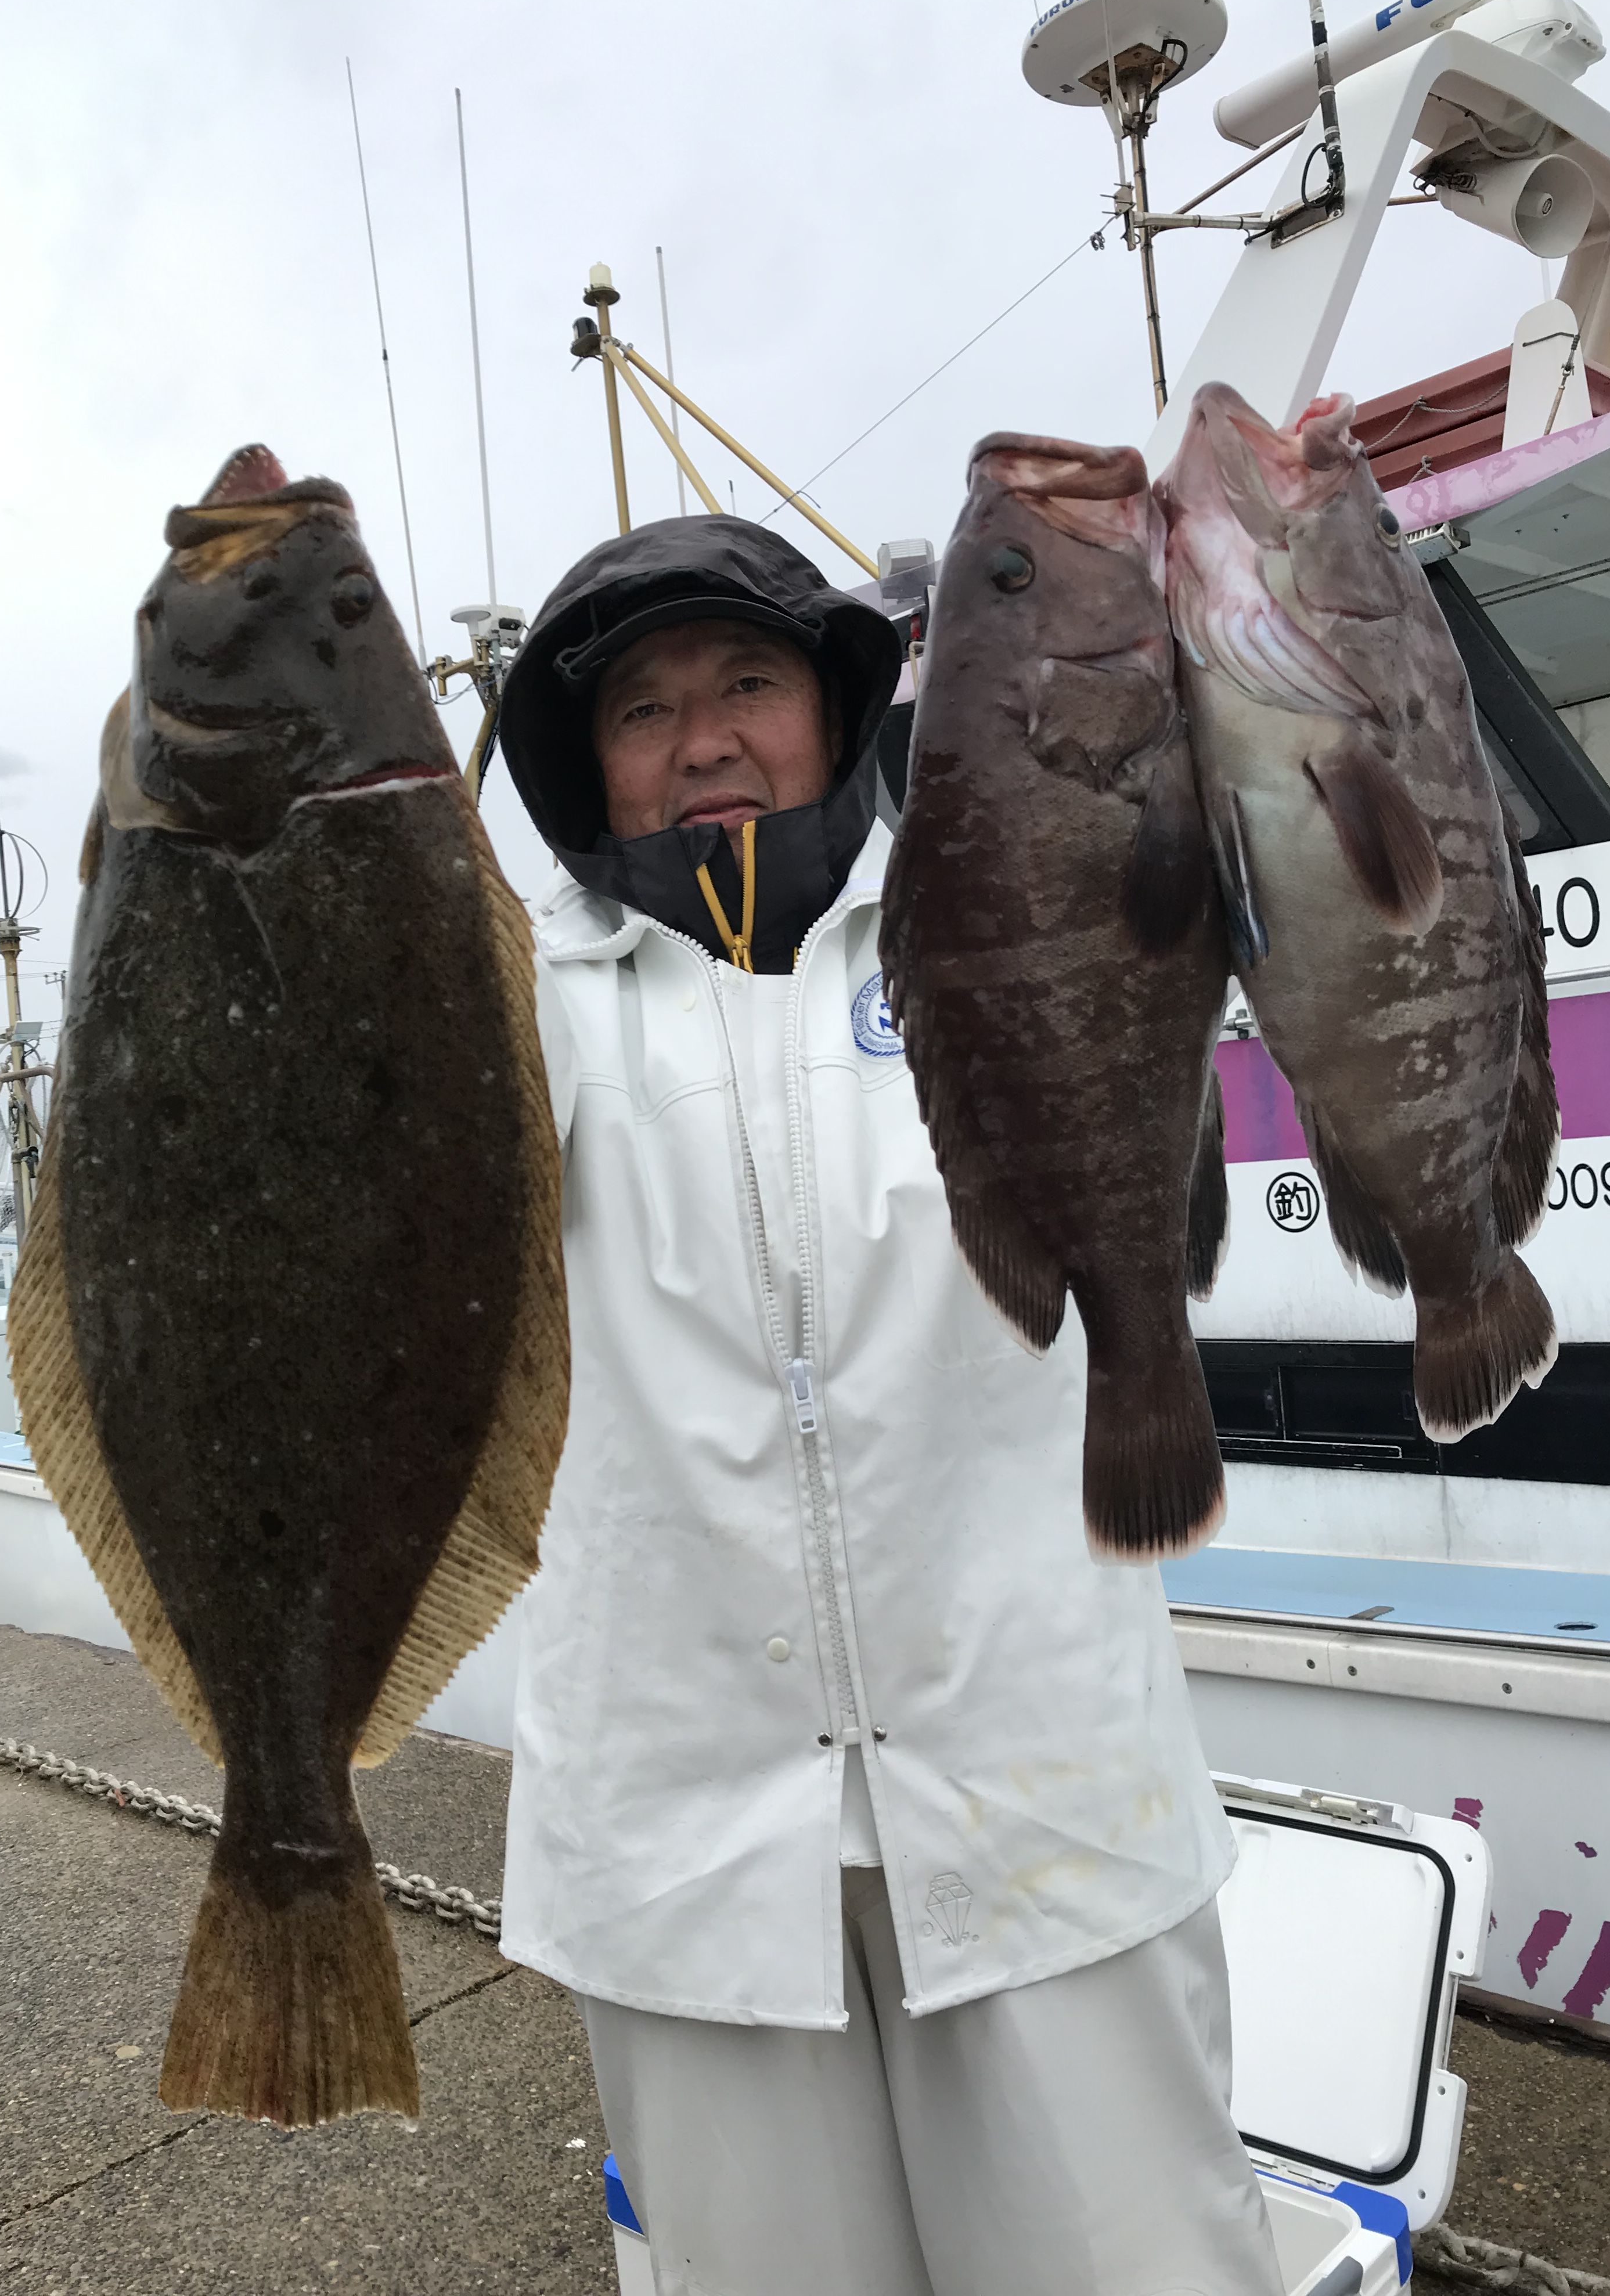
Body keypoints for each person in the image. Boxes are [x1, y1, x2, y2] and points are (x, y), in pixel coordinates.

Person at [492, 514, 1281, 2296]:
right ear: (585, 764)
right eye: (645, 710)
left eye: (749, 685)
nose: (704, 739)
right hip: (679, 1836)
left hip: (1043, 1789)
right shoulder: (515, 997)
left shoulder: (1004, 909)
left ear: (841, 710)